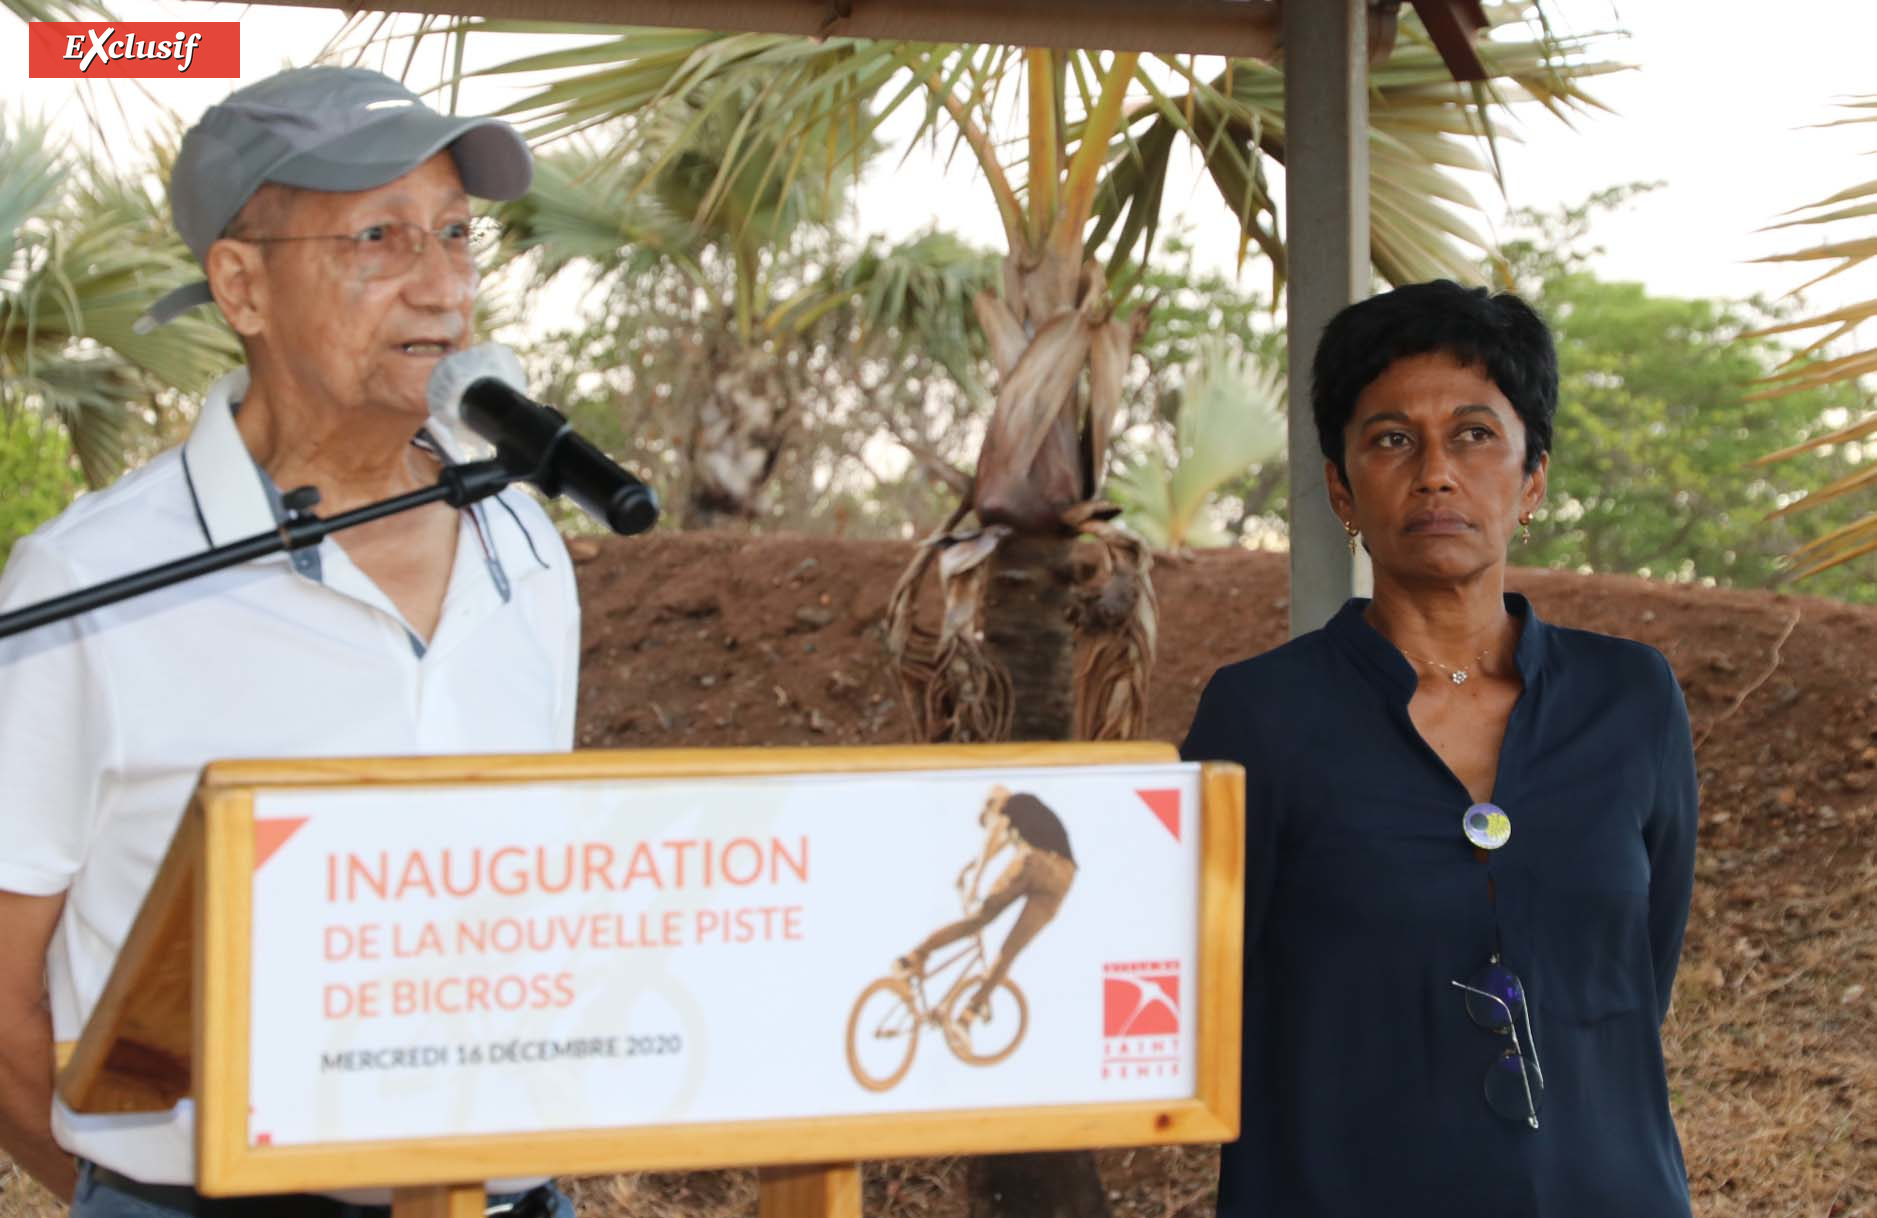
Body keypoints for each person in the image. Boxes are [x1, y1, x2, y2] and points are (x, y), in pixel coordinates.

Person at [0, 67, 580, 1218]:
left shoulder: (527, 546)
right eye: (380, 237)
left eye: (457, 235)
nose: (442, 288)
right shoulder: (88, 585)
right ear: (242, 286)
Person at [1181, 280, 1698, 1216]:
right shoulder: (1259, 715)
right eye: (1390, 439)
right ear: (1341, 486)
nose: (1434, 473)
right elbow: (1205, 993)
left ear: (1532, 475)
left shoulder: (1631, 700)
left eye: (1473, 434)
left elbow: (1633, 974)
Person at [897, 784, 1077, 1020]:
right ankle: (968, 1015)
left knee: (977, 921)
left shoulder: (1010, 804)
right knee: (1010, 951)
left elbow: (992, 839)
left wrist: (975, 882)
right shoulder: (1027, 815)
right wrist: (970, 868)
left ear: (993, 805)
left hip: (1036, 863)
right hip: (1063, 879)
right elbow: (996, 845)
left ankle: (913, 957)